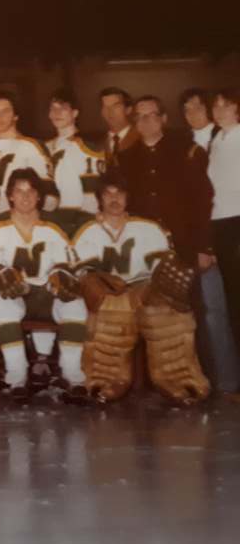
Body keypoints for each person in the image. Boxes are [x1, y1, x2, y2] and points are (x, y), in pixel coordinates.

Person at [73, 172, 210, 404]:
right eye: (108, 194)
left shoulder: (149, 228)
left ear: (128, 198)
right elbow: (80, 273)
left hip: (144, 289)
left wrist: (163, 286)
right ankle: (105, 381)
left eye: (120, 194)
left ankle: (177, 379)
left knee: (164, 310)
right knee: (111, 314)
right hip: (111, 294)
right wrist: (91, 281)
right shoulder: (87, 231)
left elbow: (163, 269)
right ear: (99, 199)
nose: (114, 199)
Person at [0, 167, 88, 403]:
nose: (25, 196)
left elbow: (64, 265)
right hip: (15, 296)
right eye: (19, 191)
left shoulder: (54, 227)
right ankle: (17, 376)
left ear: (39, 196)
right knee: (1, 299)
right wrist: (3, 277)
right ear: (9, 195)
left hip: (46, 294)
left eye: (31, 191)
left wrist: (61, 276)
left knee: (75, 303)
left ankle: (72, 375)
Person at [179, 88, 238, 392]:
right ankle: (225, 380)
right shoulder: (210, 142)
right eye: (187, 109)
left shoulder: (232, 136)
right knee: (215, 310)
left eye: (200, 107)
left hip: (231, 227)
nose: (195, 113)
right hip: (212, 230)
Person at [117, 95, 213, 267]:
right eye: (139, 116)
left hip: (184, 242)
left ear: (164, 118)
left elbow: (203, 201)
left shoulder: (187, 152)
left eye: (151, 115)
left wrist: (203, 247)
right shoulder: (125, 159)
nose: (145, 120)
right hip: (143, 243)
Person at [44, 88, 105, 237]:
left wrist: (85, 225)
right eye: (53, 109)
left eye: (63, 109)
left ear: (75, 113)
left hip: (81, 225)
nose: (56, 113)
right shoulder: (44, 147)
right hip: (51, 224)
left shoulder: (88, 148)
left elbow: (93, 196)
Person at [0, 91, 58, 216]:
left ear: (16, 116)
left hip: (18, 220)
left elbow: (49, 194)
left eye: (6, 111)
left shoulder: (31, 146)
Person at [209, 88, 240, 352]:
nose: (220, 111)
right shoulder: (217, 138)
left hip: (237, 221)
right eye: (216, 106)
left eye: (226, 105)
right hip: (220, 223)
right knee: (232, 297)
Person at [99, 87, 139, 165]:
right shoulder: (95, 143)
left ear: (128, 110)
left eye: (115, 106)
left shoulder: (141, 138)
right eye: (105, 107)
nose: (110, 112)